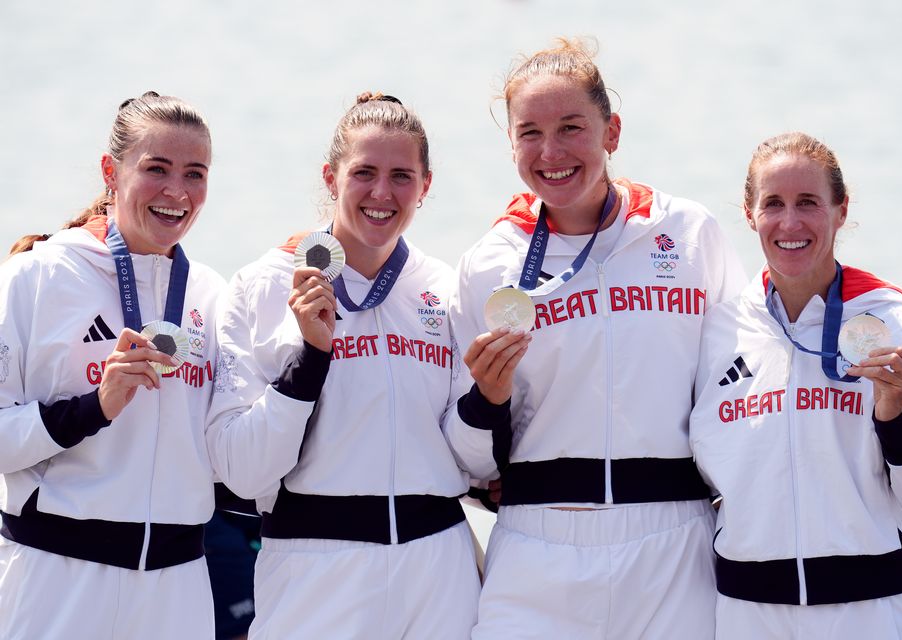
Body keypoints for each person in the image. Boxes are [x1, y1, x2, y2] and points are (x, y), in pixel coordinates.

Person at [443, 39, 746, 639]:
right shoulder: (488, 263)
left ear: (612, 132)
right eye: (529, 132)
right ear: (511, 145)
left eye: (572, 128)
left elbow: (738, 379)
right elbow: (464, 455)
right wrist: (486, 398)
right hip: (537, 545)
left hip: (674, 547)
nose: (550, 152)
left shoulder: (687, 234)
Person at [206, 92, 480, 638]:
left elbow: (468, 457)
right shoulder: (262, 285)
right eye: (364, 173)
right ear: (331, 177)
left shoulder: (446, 289)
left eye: (402, 175)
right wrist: (309, 361)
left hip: (437, 568)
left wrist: (493, 406)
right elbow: (241, 469)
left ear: (425, 186)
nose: (382, 193)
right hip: (314, 566)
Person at [689, 131, 902, 639]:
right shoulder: (715, 333)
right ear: (750, 214)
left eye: (809, 203)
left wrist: (896, 422)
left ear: (840, 210)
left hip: (875, 612)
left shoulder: (900, 325)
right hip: (749, 615)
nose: (790, 223)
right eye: (773, 204)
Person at [0, 92, 223, 639]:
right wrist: (93, 409)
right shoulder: (38, 277)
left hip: (177, 587)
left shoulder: (214, 295)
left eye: (195, 173)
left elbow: (228, 449)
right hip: (58, 576)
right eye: (157, 169)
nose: (177, 192)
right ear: (111, 171)